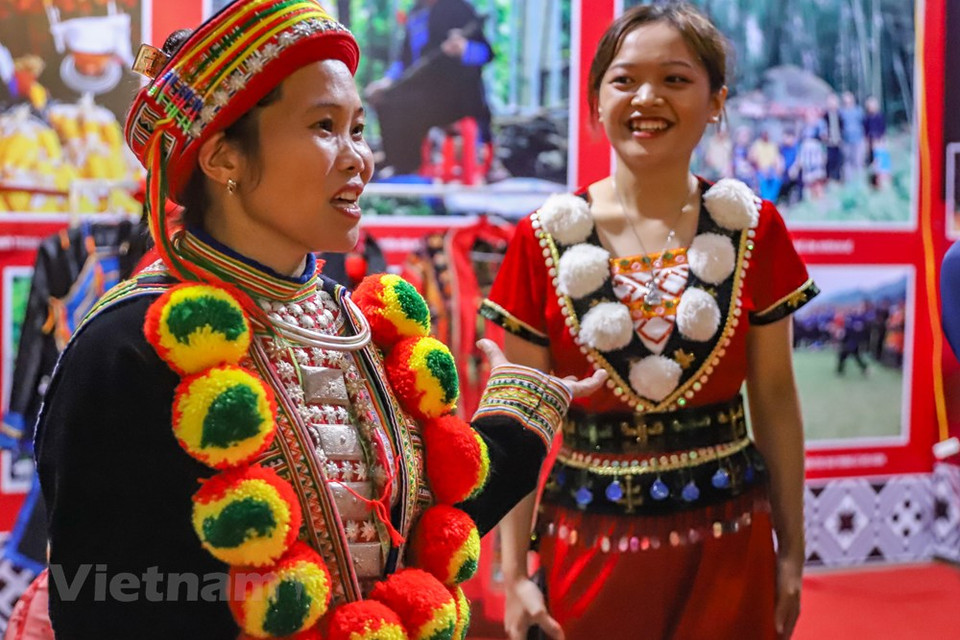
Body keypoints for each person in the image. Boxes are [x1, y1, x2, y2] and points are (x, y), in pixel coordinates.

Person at [32, 2, 605, 637]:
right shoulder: (126, 348)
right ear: (222, 157)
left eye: (359, 128)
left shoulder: (350, 322)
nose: (359, 157)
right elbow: (101, 600)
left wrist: (524, 410)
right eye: (324, 125)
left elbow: (414, 531)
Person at [481, 4, 817, 639]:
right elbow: (519, 421)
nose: (647, 98)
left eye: (675, 79)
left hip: (729, 544)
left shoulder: (757, 229)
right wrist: (516, 575)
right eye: (624, 79)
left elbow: (774, 396)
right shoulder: (541, 240)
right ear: (594, 101)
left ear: (716, 101)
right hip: (588, 551)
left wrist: (792, 553)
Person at [365, 0, 494, 176]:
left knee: (405, 104)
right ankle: (398, 161)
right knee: (385, 99)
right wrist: (386, 81)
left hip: (455, 96)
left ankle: (410, 165)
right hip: (418, 89)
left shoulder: (459, 8)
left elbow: (485, 53)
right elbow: (405, 60)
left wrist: (464, 49)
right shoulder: (415, 12)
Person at [839, 91, 866, 180]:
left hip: (858, 139)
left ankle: (860, 180)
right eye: (845, 100)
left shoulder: (858, 110)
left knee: (858, 161)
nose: (847, 101)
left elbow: (864, 124)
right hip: (846, 140)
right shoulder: (841, 112)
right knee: (847, 162)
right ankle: (848, 181)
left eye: (849, 99)